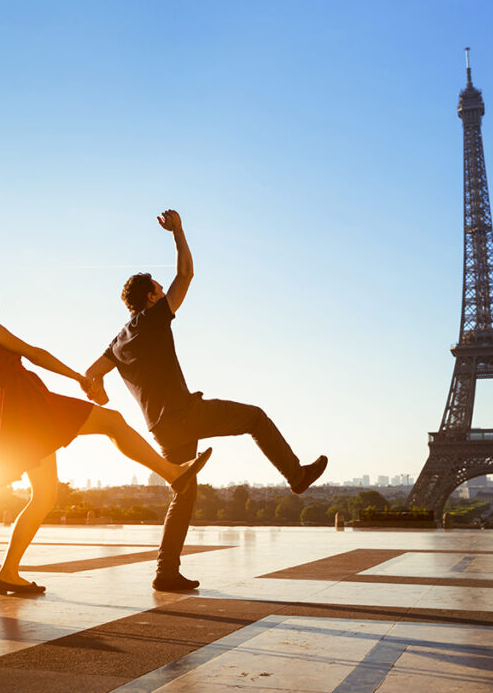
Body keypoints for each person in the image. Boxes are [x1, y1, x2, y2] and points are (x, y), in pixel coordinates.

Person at [0, 267, 211, 595]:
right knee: (112, 421)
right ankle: (173, 473)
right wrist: (79, 378)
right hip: (29, 404)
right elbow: (34, 353)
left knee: (44, 497)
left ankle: (8, 574)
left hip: (17, 411)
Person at [84, 210, 328, 592]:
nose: (166, 294)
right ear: (149, 297)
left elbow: (91, 374)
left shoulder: (120, 338)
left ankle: (166, 571)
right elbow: (186, 275)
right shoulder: (152, 318)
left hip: (160, 429)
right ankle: (296, 476)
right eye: (159, 290)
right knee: (255, 418)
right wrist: (178, 232)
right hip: (185, 414)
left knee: (183, 492)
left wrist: (98, 390)